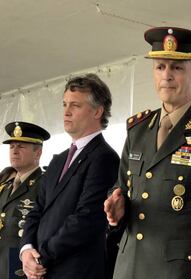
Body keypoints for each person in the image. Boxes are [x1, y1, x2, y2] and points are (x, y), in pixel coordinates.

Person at [104, 26, 191, 279]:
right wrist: (116, 210)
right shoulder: (137, 130)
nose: (167, 76)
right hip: (129, 266)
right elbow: (122, 188)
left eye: (177, 67)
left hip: (176, 271)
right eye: (160, 67)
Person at [20, 74, 120, 279]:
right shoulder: (58, 160)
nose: (66, 112)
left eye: (75, 105)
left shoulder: (104, 158)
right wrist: (26, 250)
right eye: (65, 104)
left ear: (97, 111)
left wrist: (41, 258)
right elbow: (37, 209)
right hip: (42, 270)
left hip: (77, 271)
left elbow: (87, 220)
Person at [0, 122, 49, 279]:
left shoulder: (46, 184)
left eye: (21, 146)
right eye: (12, 146)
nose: (14, 150)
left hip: (22, 267)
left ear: (38, 153)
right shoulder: (4, 186)